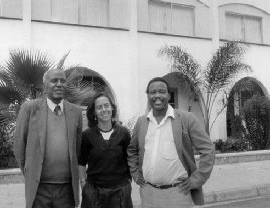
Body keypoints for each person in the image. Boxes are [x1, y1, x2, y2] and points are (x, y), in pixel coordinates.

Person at [127, 77, 215, 208]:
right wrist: (134, 172)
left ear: (169, 95)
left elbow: (208, 149)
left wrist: (197, 179)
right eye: (153, 92)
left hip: (178, 193)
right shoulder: (142, 122)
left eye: (162, 91)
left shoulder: (186, 119)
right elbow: (132, 150)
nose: (157, 95)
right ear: (148, 95)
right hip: (148, 193)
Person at [13, 68, 83, 208]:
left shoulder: (76, 111)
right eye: (54, 81)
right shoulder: (30, 108)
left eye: (62, 81)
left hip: (67, 189)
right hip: (39, 188)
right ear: (45, 86)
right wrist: (30, 172)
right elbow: (19, 146)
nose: (59, 84)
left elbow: (78, 148)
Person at [78, 92, 133, 208]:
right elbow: (81, 163)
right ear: (94, 112)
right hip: (94, 193)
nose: (104, 110)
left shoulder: (123, 133)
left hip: (120, 192)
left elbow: (130, 158)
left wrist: (128, 182)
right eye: (99, 107)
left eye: (106, 105)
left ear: (112, 108)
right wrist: (83, 184)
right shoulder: (87, 135)